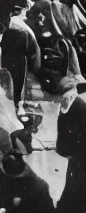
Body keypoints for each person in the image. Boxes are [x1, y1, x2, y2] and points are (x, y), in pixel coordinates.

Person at [56, 78, 86, 213]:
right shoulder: (70, 104)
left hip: (80, 157)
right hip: (76, 156)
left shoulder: (80, 107)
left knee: (77, 186)